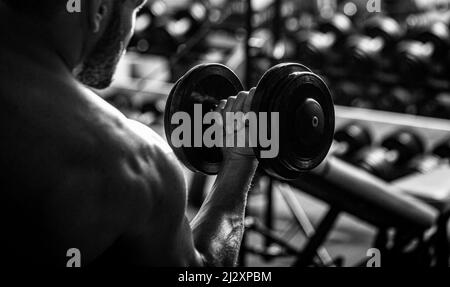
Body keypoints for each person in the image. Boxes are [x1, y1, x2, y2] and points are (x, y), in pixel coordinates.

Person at [0, 0, 257, 267]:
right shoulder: (132, 161)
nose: (131, 29)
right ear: (98, 10)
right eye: (133, 8)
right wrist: (239, 162)